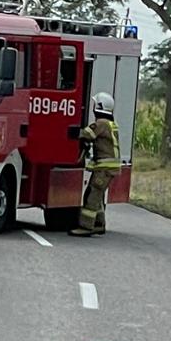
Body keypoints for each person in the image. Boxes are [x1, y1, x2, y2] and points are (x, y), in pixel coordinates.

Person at [68, 93, 121, 237]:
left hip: (104, 169)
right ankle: (99, 224)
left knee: (91, 197)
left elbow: (86, 134)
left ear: (99, 107)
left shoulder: (101, 123)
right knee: (97, 195)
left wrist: (70, 131)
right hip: (108, 168)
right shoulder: (110, 123)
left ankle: (86, 227)